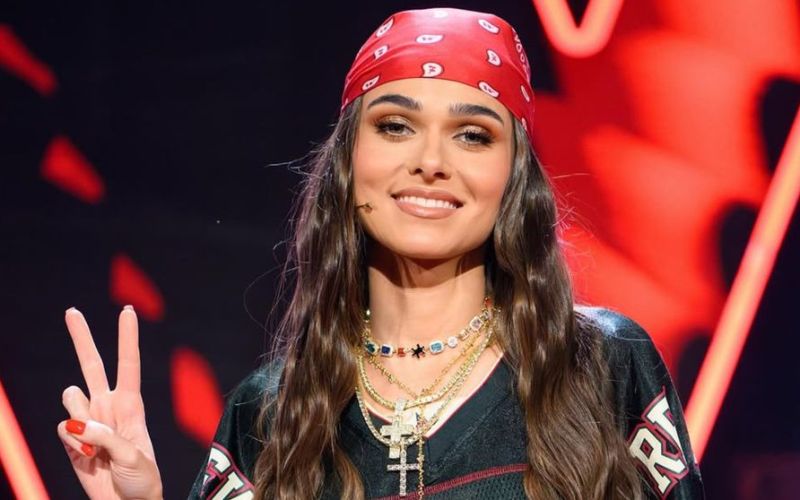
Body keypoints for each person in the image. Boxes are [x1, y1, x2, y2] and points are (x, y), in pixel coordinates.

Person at [56, 7, 705, 500]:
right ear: (349, 161)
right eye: (395, 126)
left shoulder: (603, 365)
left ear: (514, 176)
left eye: (472, 135)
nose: (430, 161)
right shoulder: (271, 413)